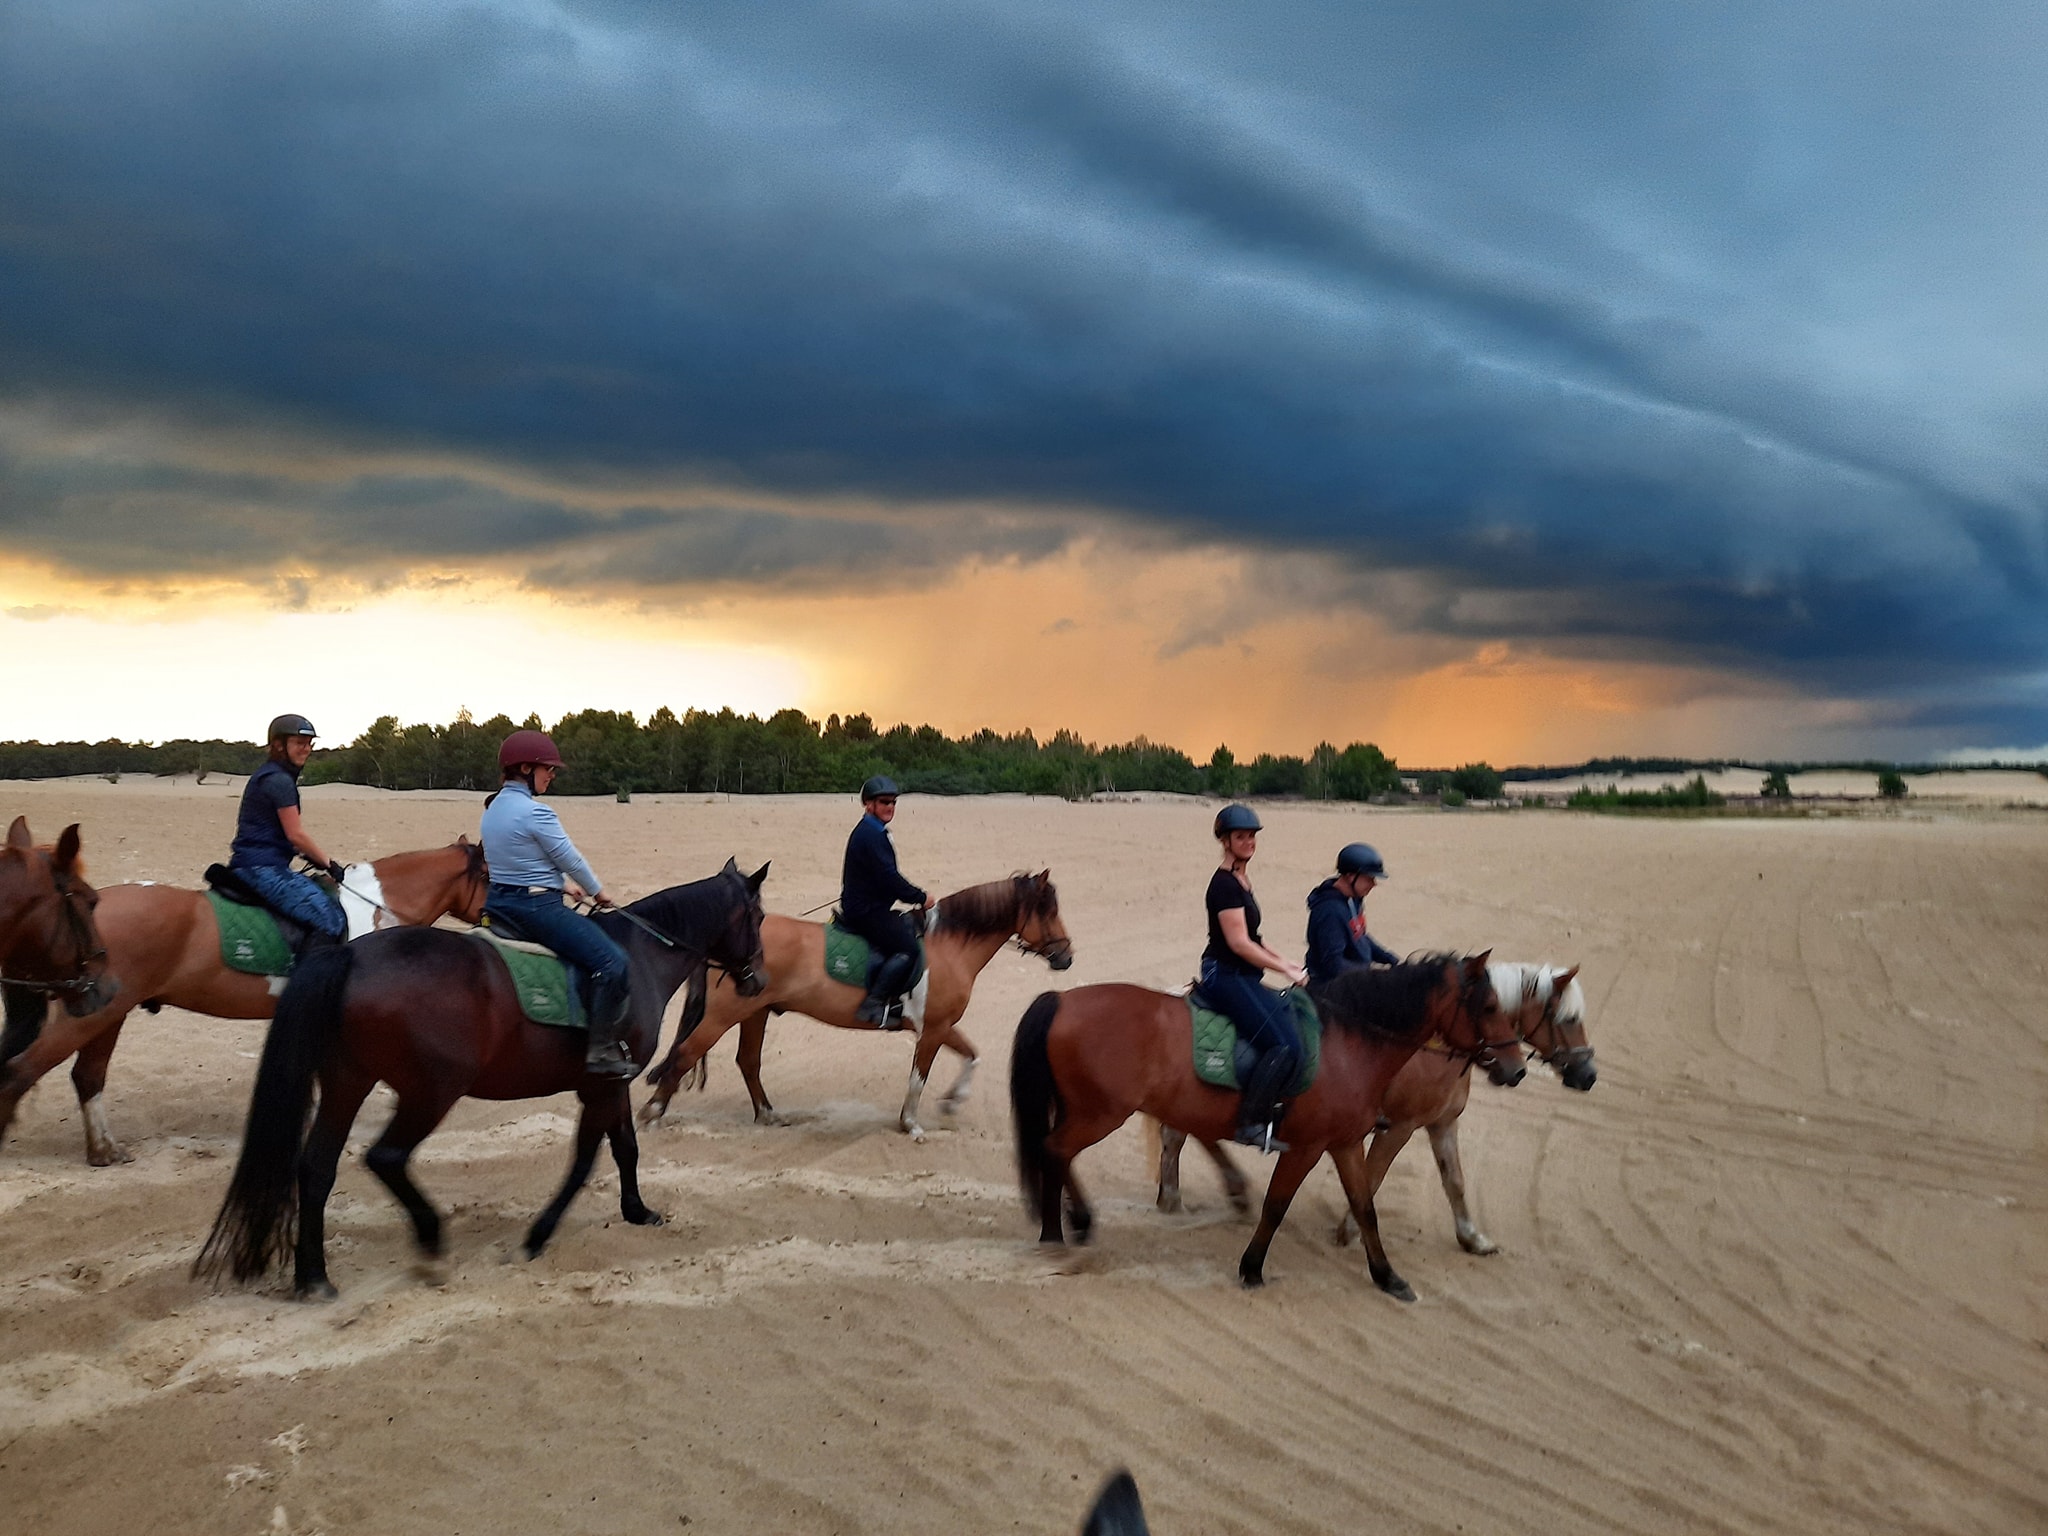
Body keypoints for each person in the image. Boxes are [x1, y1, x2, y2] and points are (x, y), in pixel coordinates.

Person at [479, 729, 637, 1079]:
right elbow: (570, 859)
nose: (551, 775)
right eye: (547, 768)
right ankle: (600, 1051)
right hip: (536, 909)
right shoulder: (536, 813)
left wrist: (562, 885)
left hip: (499, 904)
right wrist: (598, 892)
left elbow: (515, 860)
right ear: (525, 768)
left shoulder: (492, 810)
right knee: (613, 963)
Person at [1200, 804, 1309, 1153]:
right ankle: (1250, 1123)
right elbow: (1239, 943)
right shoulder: (1224, 885)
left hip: (1242, 973)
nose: (1248, 842)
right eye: (1240, 837)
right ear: (1225, 841)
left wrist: (1285, 961)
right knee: (1285, 1045)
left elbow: (1255, 938)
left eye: (1252, 836)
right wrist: (1284, 970)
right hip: (1225, 974)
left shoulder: (1241, 880)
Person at [228, 714, 346, 942]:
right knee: (332, 921)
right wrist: (329, 864)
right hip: (263, 868)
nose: (306, 749)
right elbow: (296, 835)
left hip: (255, 863)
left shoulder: (269, 776)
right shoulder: (279, 781)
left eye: (309, 744)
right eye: (300, 743)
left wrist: (310, 857)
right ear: (279, 745)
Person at [838, 775, 927, 1027]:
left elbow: (883, 876)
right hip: (865, 911)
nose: (890, 806)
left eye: (893, 802)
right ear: (868, 804)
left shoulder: (874, 830)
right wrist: (920, 897)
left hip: (868, 904)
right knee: (908, 948)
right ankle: (874, 1002)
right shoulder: (870, 834)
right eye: (884, 801)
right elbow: (890, 878)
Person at [1304, 842, 1399, 987]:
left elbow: (1360, 936)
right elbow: (1333, 964)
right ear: (1350, 876)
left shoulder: (1353, 899)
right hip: (1331, 988)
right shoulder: (1330, 912)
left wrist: (1392, 960)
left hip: (1354, 979)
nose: (1373, 884)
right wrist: (1373, 975)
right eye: (1369, 878)